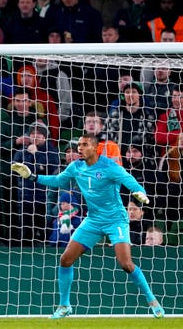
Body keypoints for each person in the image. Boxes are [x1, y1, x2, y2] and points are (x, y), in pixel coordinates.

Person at [12, 132, 165, 319]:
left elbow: (130, 181)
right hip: (93, 220)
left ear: (94, 147)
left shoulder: (109, 166)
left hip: (115, 219)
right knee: (65, 259)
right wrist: (33, 177)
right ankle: (64, 305)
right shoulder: (76, 167)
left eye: (84, 145)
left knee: (125, 264)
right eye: (79, 146)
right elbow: (58, 180)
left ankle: (152, 301)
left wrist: (140, 192)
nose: (80, 148)